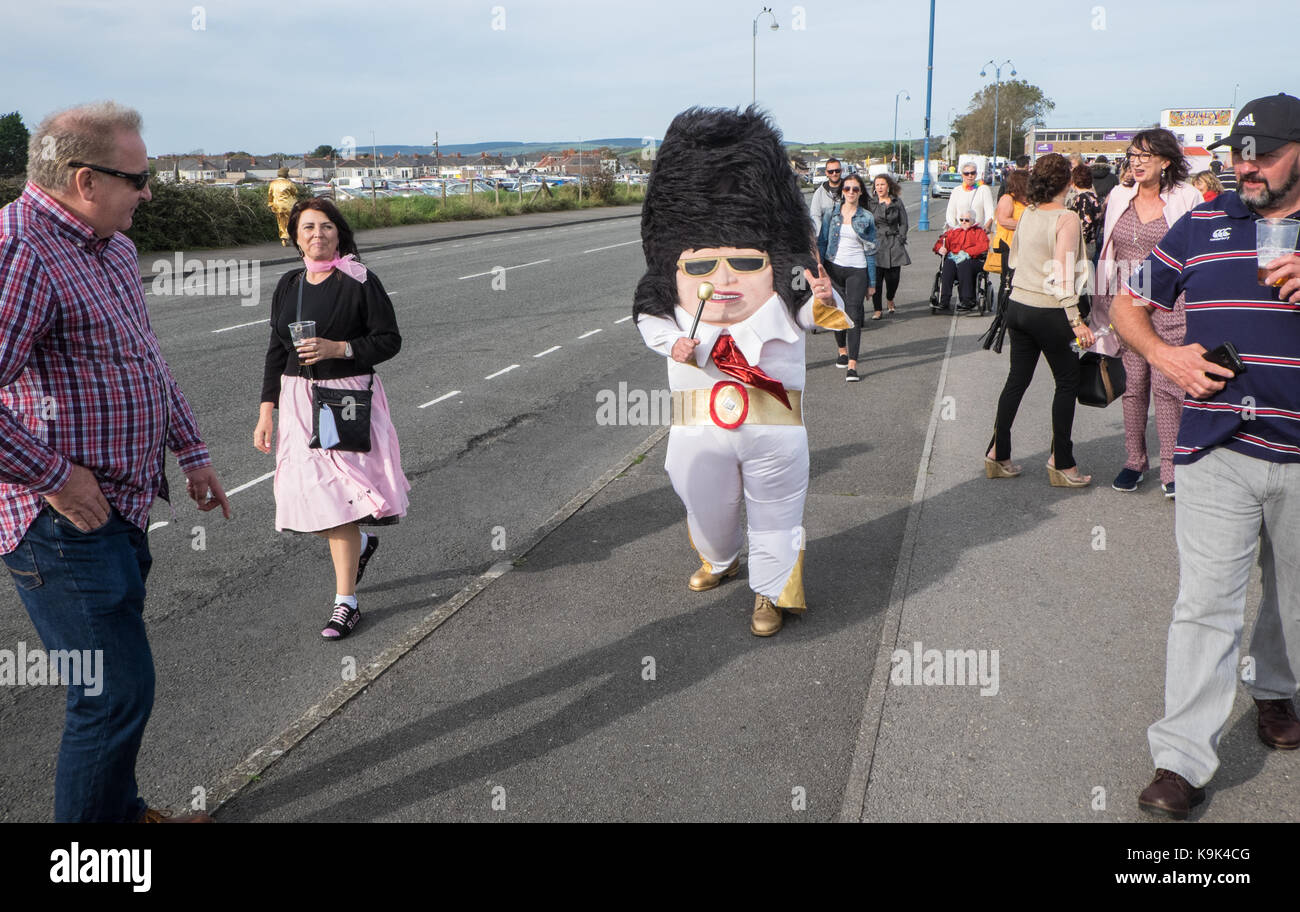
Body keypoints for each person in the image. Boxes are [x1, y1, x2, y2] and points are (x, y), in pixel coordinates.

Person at [0, 101, 231, 823]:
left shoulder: (113, 248)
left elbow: (144, 361)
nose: (150, 191)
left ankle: (119, 815)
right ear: (84, 179)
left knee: (119, 688)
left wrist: (190, 451)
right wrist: (54, 475)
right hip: (60, 522)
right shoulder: (21, 249)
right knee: (110, 692)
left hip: (122, 505)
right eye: (139, 177)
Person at [1108, 92, 1300, 820]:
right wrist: (1165, 355)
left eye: (1264, 155)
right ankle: (1181, 759)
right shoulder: (1204, 222)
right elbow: (1127, 302)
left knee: (1293, 602)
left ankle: (1276, 688)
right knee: (1205, 606)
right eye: (1237, 153)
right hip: (1216, 446)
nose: (1244, 168)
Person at [634, 106, 852, 638]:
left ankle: (772, 593)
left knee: (777, 512)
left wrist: (824, 295)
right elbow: (648, 321)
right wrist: (674, 343)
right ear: (675, 266)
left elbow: (821, 315)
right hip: (696, 428)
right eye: (703, 266)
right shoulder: (668, 306)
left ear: (773, 261)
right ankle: (722, 556)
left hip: (773, 425)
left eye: (748, 263)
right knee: (704, 506)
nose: (725, 278)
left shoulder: (791, 293)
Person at [255, 198, 410, 639]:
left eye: (326, 227)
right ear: (294, 236)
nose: (317, 235)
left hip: (345, 399)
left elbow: (389, 340)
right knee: (317, 495)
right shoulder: (289, 283)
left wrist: (338, 348)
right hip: (298, 401)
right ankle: (360, 544)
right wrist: (267, 409)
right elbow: (276, 349)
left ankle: (347, 602)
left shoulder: (360, 280)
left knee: (340, 499)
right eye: (307, 228)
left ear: (339, 233)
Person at [1091, 129, 1202, 496]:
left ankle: (1171, 467)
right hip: (1127, 304)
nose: (1136, 163)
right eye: (1133, 156)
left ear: (1165, 162)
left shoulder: (1186, 196)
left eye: (1145, 156)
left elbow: (1199, 252)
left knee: (1168, 384)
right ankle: (1134, 461)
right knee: (1134, 385)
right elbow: (1106, 251)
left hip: (1172, 303)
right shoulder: (1119, 195)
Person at [984, 153, 1095, 484]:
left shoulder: (1029, 214)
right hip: (1049, 310)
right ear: (1068, 181)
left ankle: (997, 453)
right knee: (1066, 382)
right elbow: (1062, 274)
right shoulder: (1066, 218)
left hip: (1018, 305)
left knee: (1017, 380)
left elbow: (1016, 257)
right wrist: (1076, 320)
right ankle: (1062, 462)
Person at [818, 174, 877, 380]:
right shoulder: (830, 215)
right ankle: (842, 350)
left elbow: (870, 251)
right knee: (837, 313)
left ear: (861, 192)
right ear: (842, 192)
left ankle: (852, 364)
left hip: (857, 270)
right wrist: (820, 271)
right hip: (833, 268)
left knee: (854, 315)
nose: (851, 192)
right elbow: (822, 243)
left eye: (855, 189)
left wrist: (872, 282)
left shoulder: (867, 218)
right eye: (847, 189)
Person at [868, 173, 910, 318]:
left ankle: (890, 298)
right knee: (877, 279)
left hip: (894, 242)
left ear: (888, 186)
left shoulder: (896, 202)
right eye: (877, 184)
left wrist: (901, 237)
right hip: (877, 243)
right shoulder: (871, 204)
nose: (879, 187)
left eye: (882, 184)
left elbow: (903, 222)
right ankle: (877, 309)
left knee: (893, 278)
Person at [932, 209, 988, 313]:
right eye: (961, 219)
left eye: (966, 220)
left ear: (972, 221)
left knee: (964, 265)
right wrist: (940, 248)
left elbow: (984, 246)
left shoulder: (979, 232)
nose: (963, 222)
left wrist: (967, 253)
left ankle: (966, 300)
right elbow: (941, 242)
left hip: (973, 260)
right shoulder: (954, 232)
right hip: (955, 259)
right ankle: (944, 300)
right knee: (948, 264)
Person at [946, 163, 996, 231]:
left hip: (977, 232)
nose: (970, 176)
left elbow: (990, 212)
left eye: (972, 173)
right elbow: (950, 212)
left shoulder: (984, 189)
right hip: (959, 232)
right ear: (962, 175)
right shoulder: (956, 190)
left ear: (976, 174)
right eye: (966, 173)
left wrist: (986, 227)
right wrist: (952, 229)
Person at [1067, 164, 1102, 260]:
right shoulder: (1094, 197)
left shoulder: (1082, 198)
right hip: (1092, 243)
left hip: (1083, 246)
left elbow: (1086, 222)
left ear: (1073, 181)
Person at [809, 157, 844, 233]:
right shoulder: (819, 193)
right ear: (826, 173)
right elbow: (815, 216)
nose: (834, 174)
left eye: (837, 171)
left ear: (841, 171)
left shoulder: (850, 190)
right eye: (831, 171)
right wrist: (822, 234)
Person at [267, 167, 298, 246]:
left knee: (281, 222)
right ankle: (292, 236)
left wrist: (270, 204)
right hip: (288, 205)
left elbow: (270, 195)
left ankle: (284, 238)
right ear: (286, 174)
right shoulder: (288, 183)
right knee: (290, 221)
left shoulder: (273, 183)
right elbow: (295, 192)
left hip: (277, 205)